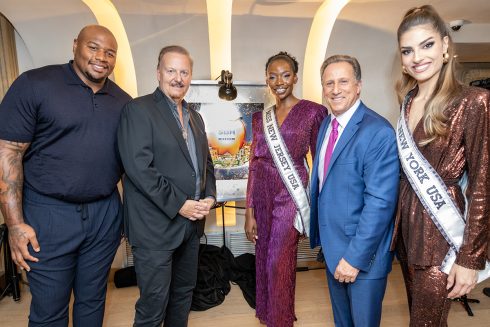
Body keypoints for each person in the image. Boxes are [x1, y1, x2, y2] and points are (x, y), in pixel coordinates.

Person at [0, 25, 131, 326]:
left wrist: (127, 218)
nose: (101, 57)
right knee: (50, 309)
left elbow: (130, 165)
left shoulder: (124, 102)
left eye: (110, 53)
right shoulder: (35, 84)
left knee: (92, 300)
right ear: (75, 45)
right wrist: (15, 224)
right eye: (93, 47)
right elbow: (8, 153)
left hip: (104, 214)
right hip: (48, 214)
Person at [393, 5, 490, 326]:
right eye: (407, 50)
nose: (417, 57)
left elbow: (482, 185)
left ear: (446, 45)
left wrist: (471, 259)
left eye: (427, 45)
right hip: (407, 235)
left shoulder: (473, 101)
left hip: (441, 237)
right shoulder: (407, 102)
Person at [117, 45, 216, 327]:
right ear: (158, 73)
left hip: (191, 227)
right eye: (171, 70)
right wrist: (180, 204)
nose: (178, 78)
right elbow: (139, 169)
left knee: (183, 295)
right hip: (155, 228)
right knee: (153, 304)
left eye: (184, 72)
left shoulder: (195, 117)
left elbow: (205, 164)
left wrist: (209, 196)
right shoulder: (138, 110)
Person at [309, 54, 399, 327]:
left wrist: (354, 258)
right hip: (333, 249)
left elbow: (381, 203)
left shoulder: (378, 132)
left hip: (361, 257)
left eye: (343, 81)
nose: (335, 90)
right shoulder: (327, 124)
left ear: (358, 85)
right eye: (329, 83)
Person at [244, 51, 327, 327]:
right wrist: (249, 212)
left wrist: (315, 210)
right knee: (265, 259)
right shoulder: (259, 118)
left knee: (279, 262)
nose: (279, 81)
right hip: (262, 194)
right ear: (267, 79)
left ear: (295, 77)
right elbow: (254, 164)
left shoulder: (313, 112)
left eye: (286, 74)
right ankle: (271, 317)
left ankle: (280, 321)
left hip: (290, 195)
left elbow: (321, 164)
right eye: (272, 75)